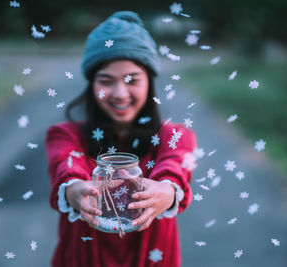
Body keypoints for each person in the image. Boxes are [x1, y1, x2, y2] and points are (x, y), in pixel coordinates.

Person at [45, 11, 197, 267]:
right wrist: (73, 191)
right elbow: (65, 170)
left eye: (131, 80)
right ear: (91, 85)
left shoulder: (176, 136)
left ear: (149, 81)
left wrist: (167, 190)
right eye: (105, 81)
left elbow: (175, 169)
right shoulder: (65, 135)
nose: (119, 93)